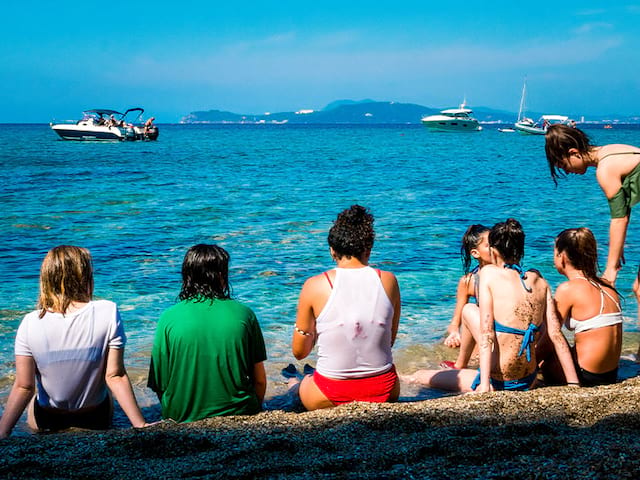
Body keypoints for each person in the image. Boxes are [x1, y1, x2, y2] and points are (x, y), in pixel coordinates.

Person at [401, 219, 579, 393]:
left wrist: (485, 384)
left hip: (499, 381)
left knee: (420, 375)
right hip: (529, 379)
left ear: (494, 251)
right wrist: (573, 384)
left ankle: (407, 377)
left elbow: (487, 333)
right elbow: (556, 334)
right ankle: (461, 365)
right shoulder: (540, 281)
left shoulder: (487, 274)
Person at [0, 246, 148, 438]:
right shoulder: (108, 311)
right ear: (85, 276)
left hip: (48, 419)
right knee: (107, 389)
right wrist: (140, 424)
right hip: (95, 417)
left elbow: (24, 386)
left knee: (34, 395)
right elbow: (115, 376)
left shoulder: (30, 322)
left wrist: (3, 432)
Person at [288, 205, 401, 410]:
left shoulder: (314, 285)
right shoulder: (389, 281)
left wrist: (312, 334)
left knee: (299, 383)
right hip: (385, 389)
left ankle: (293, 382)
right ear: (369, 248)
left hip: (329, 393)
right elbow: (389, 340)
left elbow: (299, 352)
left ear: (332, 250)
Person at [148, 244, 267, 422]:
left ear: (187, 277)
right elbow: (260, 381)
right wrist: (254, 410)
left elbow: (159, 384)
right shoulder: (244, 314)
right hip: (241, 411)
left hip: (182, 416)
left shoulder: (168, 318)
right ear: (221, 276)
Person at [545, 124, 640, 284]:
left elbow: (619, 218)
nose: (567, 172)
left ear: (573, 153)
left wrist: (610, 269)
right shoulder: (612, 149)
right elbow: (625, 207)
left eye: (564, 165)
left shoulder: (605, 170)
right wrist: (618, 246)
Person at [538, 228, 622, 387]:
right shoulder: (608, 287)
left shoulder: (568, 289)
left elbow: (550, 338)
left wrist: (528, 363)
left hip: (586, 376)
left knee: (546, 357)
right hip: (610, 375)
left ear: (562, 257)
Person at [441, 225, 491, 369]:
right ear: (475, 253)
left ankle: (461, 366)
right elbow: (455, 322)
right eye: (489, 245)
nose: (495, 247)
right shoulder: (469, 281)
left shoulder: (508, 274)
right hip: (483, 333)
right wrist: (454, 334)